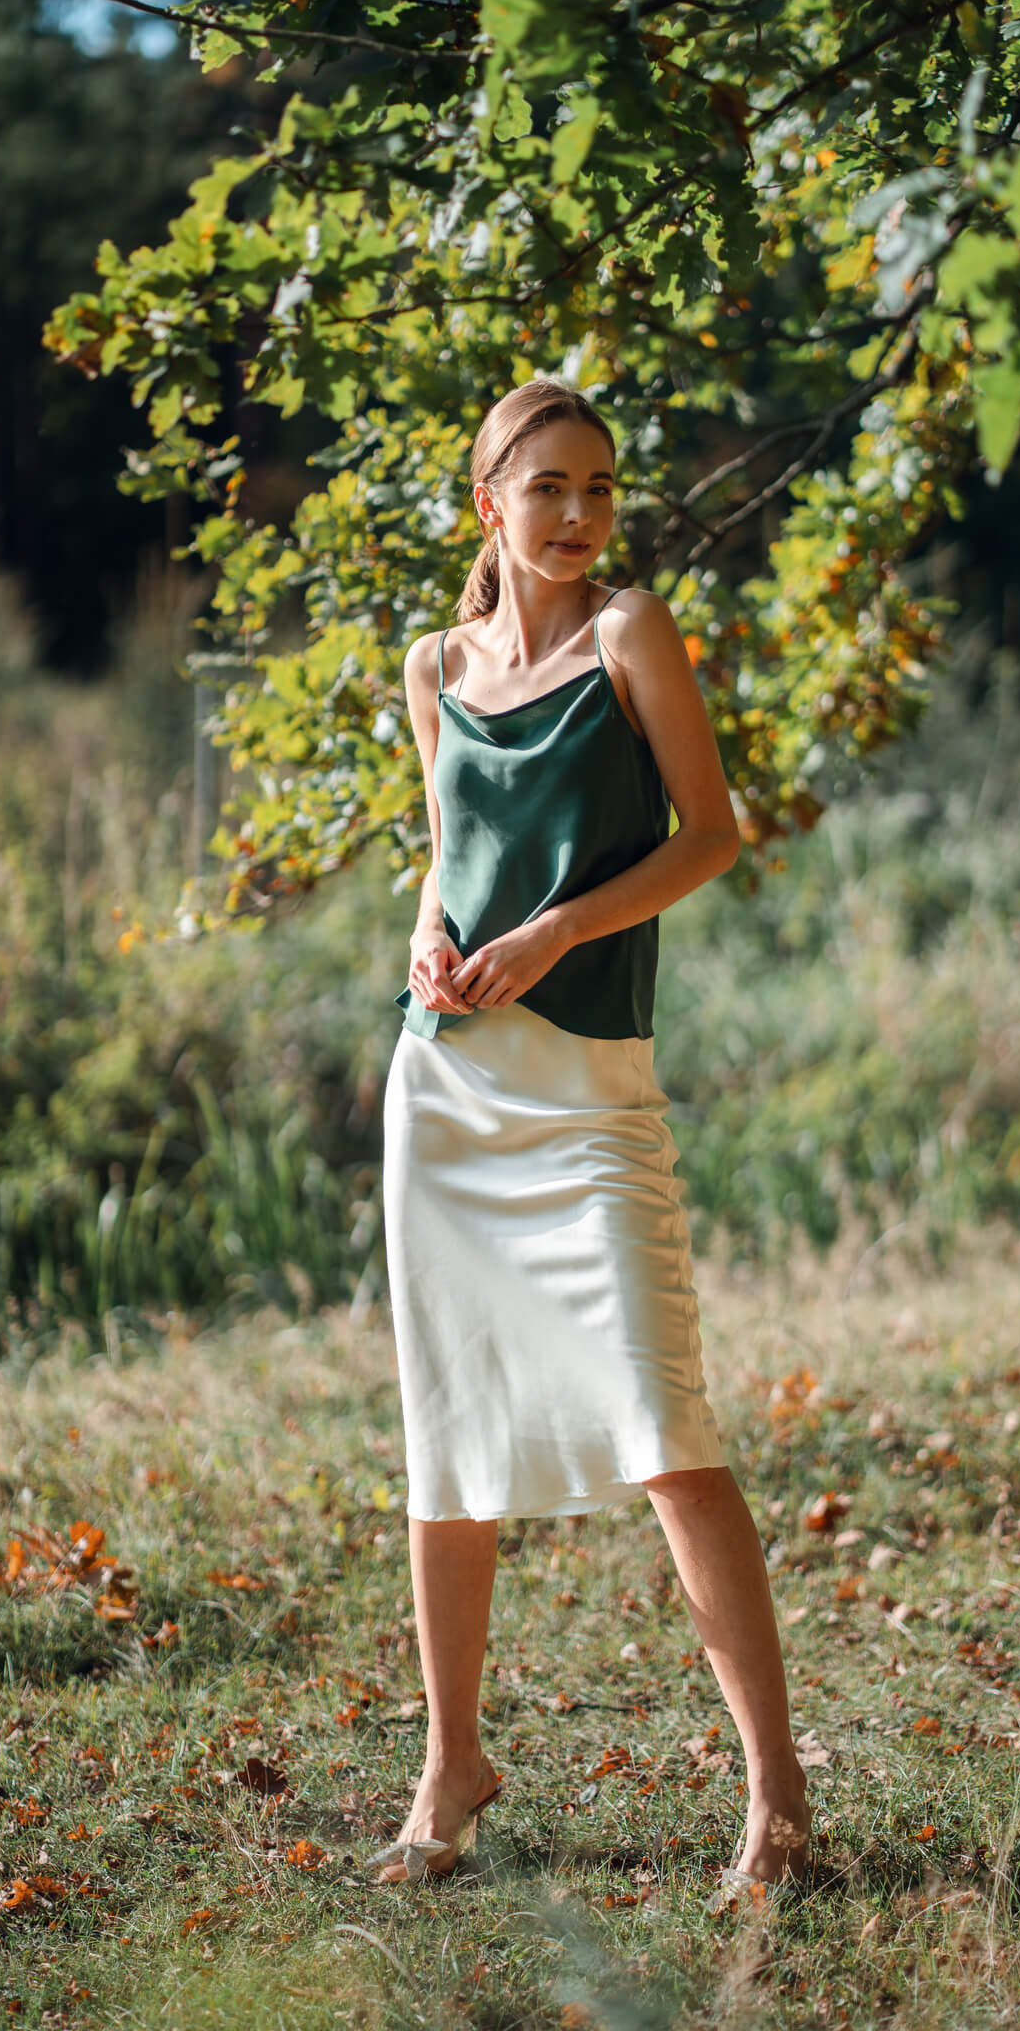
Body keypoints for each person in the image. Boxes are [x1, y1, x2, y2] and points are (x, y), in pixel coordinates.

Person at [369, 377, 811, 1893]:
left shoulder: (631, 634)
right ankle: (451, 1765)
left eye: (598, 490)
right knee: (447, 1442)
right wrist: (429, 944)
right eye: (545, 489)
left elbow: (709, 833)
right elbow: (444, 860)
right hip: (445, 1088)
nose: (575, 517)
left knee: (665, 1436)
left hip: (584, 1094)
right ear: (485, 503)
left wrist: (550, 934)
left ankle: (777, 1798)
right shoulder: (432, 665)